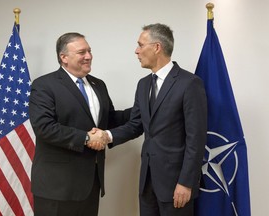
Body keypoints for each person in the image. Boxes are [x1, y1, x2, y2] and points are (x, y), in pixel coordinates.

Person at [94, 23, 207, 216]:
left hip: (177, 184)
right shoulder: (143, 84)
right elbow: (136, 124)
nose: (136, 51)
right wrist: (107, 135)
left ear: (157, 47)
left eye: (140, 45)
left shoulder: (189, 83)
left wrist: (186, 182)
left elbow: (196, 139)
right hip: (147, 182)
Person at [29, 32, 131, 216]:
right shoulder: (44, 85)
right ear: (64, 57)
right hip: (56, 188)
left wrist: (144, 108)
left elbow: (110, 119)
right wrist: (85, 138)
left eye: (89, 51)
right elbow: (44, 127)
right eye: (82, 52)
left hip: (90, 185)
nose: (89, 56)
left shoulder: (98, 85)